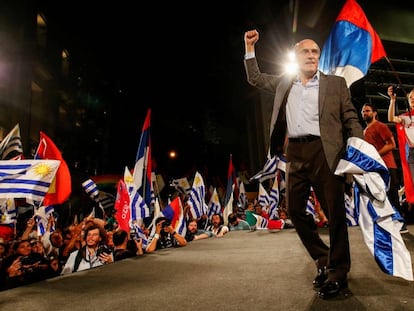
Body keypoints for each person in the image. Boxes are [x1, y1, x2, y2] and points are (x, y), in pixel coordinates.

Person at [243, 29, 364, 299]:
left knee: (335, 215)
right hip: (294, 152)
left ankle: (338, 273)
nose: (311, 56)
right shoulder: (285, 83)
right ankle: (323, 258)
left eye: (315, 52)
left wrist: (358, 146)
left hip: (326, 152)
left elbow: (350, 118)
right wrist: (249, 49)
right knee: (296, 211)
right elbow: (255, 78)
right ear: (296, 57)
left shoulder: (335, 84)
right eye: (305, 52)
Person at [362, 103, 408, 233]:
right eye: (363, 111)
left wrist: (375, 155)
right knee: (379, 196)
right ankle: (386, 223)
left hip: (387, 166)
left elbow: (391, 144)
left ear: (375, 113)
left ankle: (400, 223)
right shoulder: (364, 131)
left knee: (392, 195)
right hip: (374, 168)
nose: (365, 113)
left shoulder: (380, 126)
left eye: (368, 111)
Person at [388, 86, 414, 223]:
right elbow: (391, 117)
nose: (413, 99)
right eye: (410, 98)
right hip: (412, 154)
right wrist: (393, 100)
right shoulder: (405, 117)